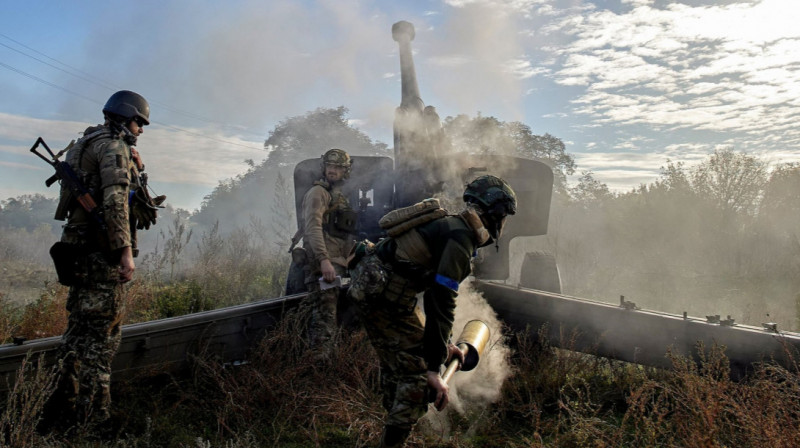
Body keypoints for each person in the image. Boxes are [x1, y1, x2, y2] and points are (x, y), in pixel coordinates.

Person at [347, 174, 517, 448]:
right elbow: (441, 302)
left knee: (407, 365)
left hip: (383, 295)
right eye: (505, 215)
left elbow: (429, 298)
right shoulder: (460, 238)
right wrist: (434, 369)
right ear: (496, 213)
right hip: (383, 300)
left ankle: (395, 415)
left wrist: (445, 345)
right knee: (417, 377)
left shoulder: (452, 227)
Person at [47, 90, 161, 429]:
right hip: (100, 256)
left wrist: (138, 169)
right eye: (139, 122)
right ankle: (95, 419)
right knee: (102, 338)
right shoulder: (113, 146)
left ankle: (59, 408)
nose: (140, 130)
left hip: (77, 253)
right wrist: (125, 253)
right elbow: (115, 202)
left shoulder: (85, 143)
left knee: (77, 333)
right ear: (126, 117)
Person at [300, 148, 357, 356]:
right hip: (325, 267)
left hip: (337, 265)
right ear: (323, 168)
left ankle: (331, 371)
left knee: (335, 321)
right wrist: (324, 261)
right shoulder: (318, 193)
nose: (332, 171)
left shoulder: (337, 196)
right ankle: (319, 374)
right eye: (329, 166)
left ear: (345, 171)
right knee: (324, 325)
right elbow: (313, 228)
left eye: (338, 168)